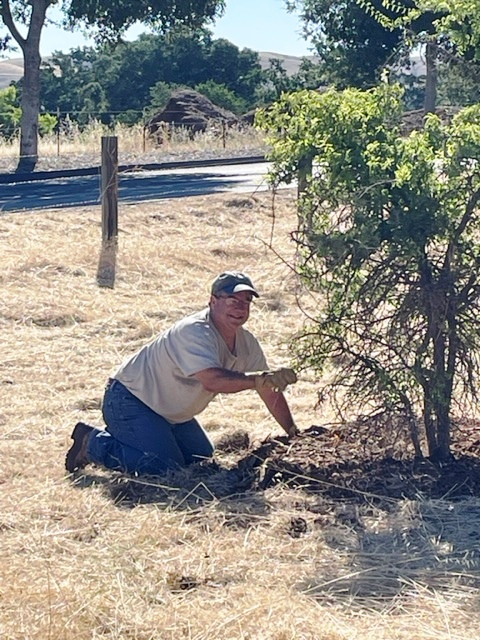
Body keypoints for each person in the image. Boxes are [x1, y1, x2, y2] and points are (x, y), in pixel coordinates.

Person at [65, 271, 299, 475]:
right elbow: (212, 380)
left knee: (201, 462)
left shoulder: (247, 344)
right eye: (232, 300)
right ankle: (92, 444)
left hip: (172, 415)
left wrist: (292, 432)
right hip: (130, 400)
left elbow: (269, 391)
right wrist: (258, 380)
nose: (240, 307)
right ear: (213, 301)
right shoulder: (194, 332)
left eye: (246, 301)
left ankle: (143, 440)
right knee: (164, 468)